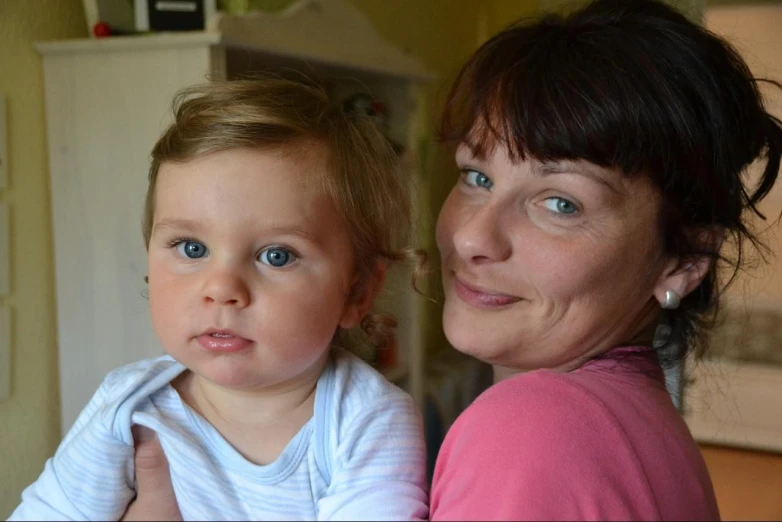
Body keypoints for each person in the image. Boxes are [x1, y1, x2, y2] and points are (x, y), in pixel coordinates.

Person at [125, 0, 782, 519]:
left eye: (560, 204)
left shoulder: (530, 431)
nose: (473, 239)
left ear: (685, 262)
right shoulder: (649, 427)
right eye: (477, 177)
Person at [9, 78, 429, 521]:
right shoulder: (128, 406)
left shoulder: (367, 423)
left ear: (357, 291)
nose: (222, 288)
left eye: (276, 255)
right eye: (192, 248)